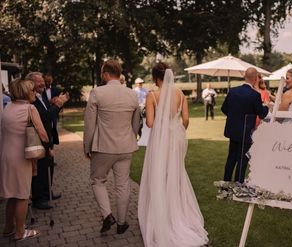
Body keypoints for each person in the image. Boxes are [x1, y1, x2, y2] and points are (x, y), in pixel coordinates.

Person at [138, 62, 208, 246]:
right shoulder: (180, 94)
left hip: (160, 140)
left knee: (159, 175)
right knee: (175, 174)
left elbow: (151, 123)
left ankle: (161, 216)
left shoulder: (152, 95)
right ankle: (178, 213)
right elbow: (185, 119)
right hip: (175, 139)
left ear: (155, 77)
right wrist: (177, 130)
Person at [84, 59, 140, 234]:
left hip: (103, 147)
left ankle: (107, 215)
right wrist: (130, 138)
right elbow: (136, 123)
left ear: (106, 74)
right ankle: (122, 223)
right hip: (126, 147)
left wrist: (87, 146)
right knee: (123, 184)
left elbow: (89, 124)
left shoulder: (97, 92)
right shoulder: (132, 94)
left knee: (97, 181)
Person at [0, 79, 49, 241]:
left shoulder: (7, 108)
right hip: (22, 157)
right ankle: (20, 232)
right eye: (32, 90)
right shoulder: (30, 108)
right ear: (25, 92)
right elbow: (43, 135)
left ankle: (8, 228)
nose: (35, 93)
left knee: (12, 195)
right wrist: (47, 145)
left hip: (6, 156)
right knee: (22, 195)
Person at [25, 72, 68, 210]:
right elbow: (45, 116)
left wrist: (56, 104)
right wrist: (58, 104)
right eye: (39, 81)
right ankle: (39, 199)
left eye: (42, 80)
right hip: (38, 138)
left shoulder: (41, 95)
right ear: (31, 83)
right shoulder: (31, 99)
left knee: (48, 166)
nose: (42, 83)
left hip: (48, 136)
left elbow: (48, 111)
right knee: (40, 169)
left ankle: (47, 192)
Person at [222, 68, 269, 183]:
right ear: (255, 79)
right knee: (242, 159)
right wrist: (267, 106)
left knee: (231, 158)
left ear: (245, 76)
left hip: (233, 130)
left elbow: (224, 109)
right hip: (245, 131)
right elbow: (262, 113)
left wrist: (234, 117)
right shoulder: (254, 95)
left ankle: (225, 183)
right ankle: (238, 184)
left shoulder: (232, 91)